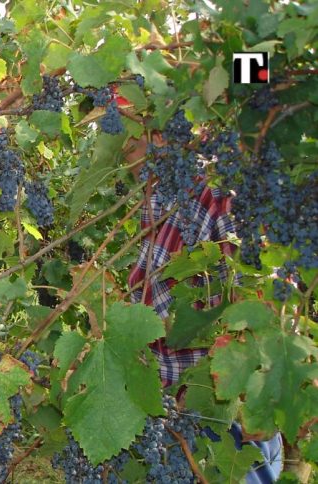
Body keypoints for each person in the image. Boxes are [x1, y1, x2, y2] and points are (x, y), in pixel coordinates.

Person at [123, 132, 283, 483]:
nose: (121, 147)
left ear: (155, 127)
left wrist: (261, 399)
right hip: (175, 420)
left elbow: (265, 298)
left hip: (224, 426)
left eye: (127, 133)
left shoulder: (217, 188)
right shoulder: (161, 194)